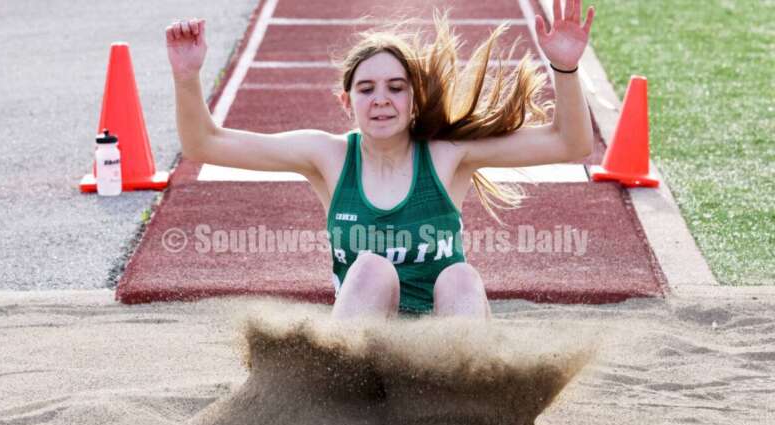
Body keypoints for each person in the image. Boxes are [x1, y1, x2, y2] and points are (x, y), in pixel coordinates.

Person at [165, 2, 596, 322]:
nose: (382, 101)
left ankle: (467, 403)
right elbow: (206, 144)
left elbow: (570, 145)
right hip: (368, 350)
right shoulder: (327, 156)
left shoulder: (448, 156)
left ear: (414, 100)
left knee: (460, 277)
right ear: (346, 100)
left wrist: (565, 68)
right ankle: (345, 408)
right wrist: (187, 76)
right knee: (370, 268)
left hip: (441, 350)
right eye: (367, 89)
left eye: (396, 87)